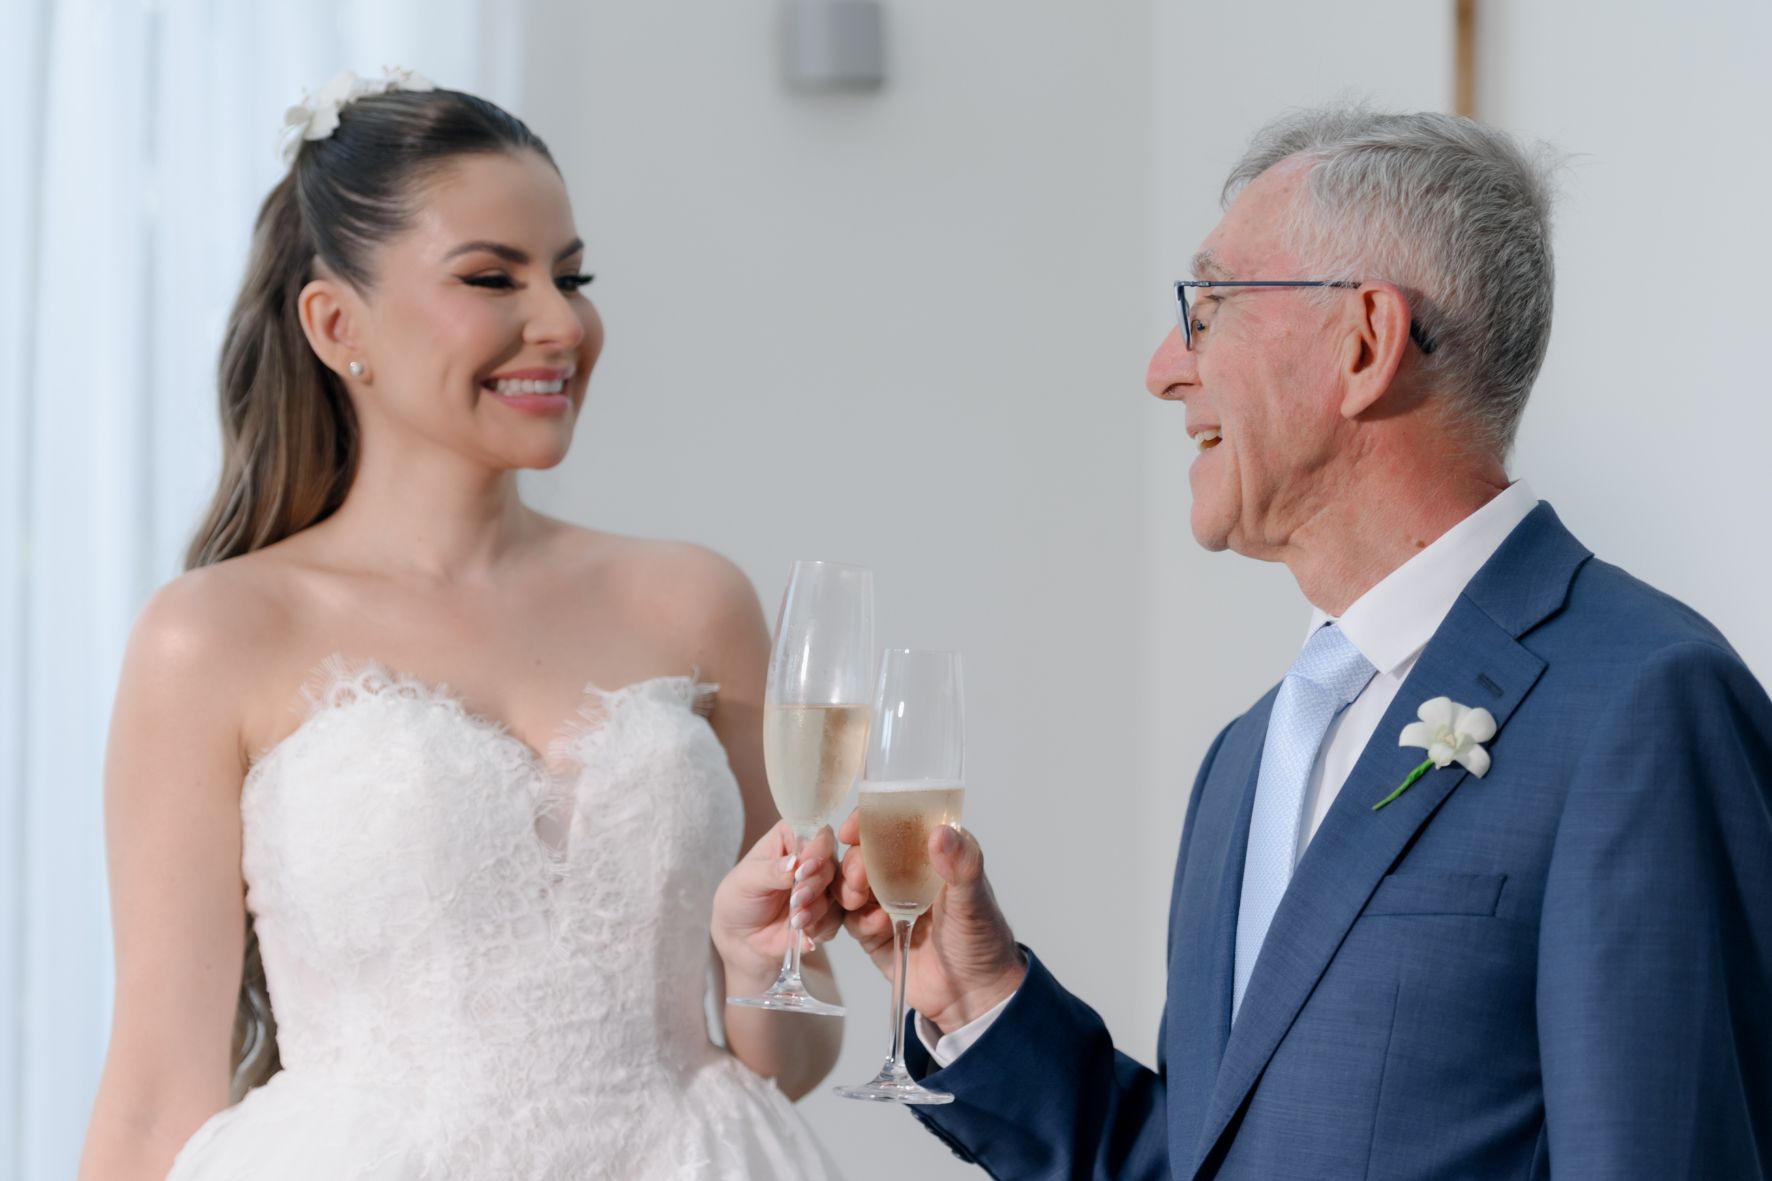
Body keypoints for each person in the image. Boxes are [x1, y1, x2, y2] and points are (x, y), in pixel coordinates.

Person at [838, 106, 1772, 1179]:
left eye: (1209, 306)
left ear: (1364, 341)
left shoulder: (1643, 706)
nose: (1161, 368)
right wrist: (971, 988)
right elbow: (1195, 1159)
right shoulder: (1245, 755)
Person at [77, 70, 845, 1180]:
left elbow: (794, 1050)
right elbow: (155, 1099)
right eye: (494, 277)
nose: (559, 322)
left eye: (571, 276)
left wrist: (749, 956)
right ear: (338, 323)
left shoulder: (694, 602)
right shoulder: (214, 636)